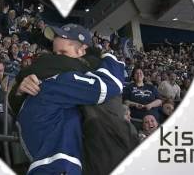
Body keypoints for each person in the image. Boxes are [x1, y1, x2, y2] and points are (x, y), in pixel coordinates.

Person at [9, 24, 137, 175]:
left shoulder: (50, 77)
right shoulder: (60, 77)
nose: (57, 59)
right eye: (55, 53)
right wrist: (108, 57)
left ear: (82, 51)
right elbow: (110, 85)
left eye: (63, 52)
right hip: (58, 164)